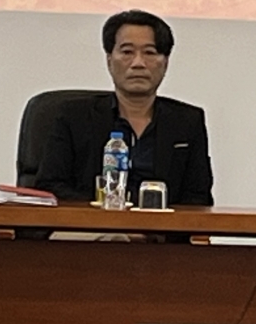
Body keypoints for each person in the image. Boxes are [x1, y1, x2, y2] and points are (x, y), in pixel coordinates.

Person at [34, 10, 214, 205]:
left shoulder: (187, 122)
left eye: (149, 52)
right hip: (90, 222)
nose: (138, 63)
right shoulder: (73, 116)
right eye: (127, 52)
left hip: (161, 224)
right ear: (109, 60)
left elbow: (198, 198)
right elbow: (50, 188)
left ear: (165, 63)